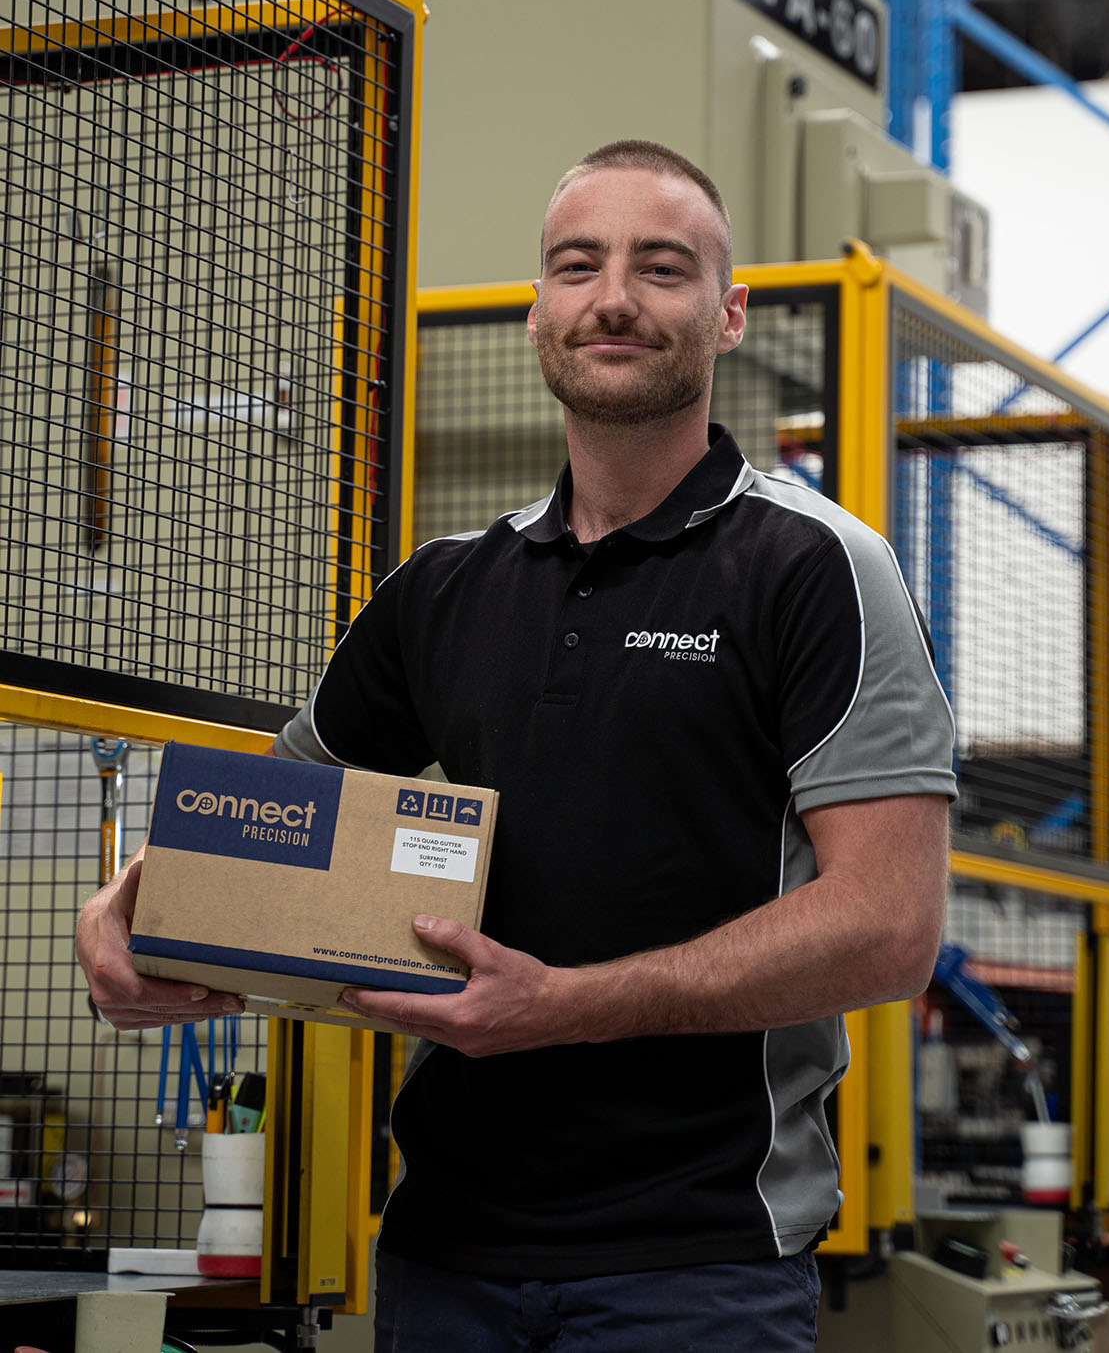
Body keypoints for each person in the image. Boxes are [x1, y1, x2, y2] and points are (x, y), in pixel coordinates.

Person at [77, 140, 956, 1352]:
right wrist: (141, 912)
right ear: (538, 307)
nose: (612, 299)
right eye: (577, 265)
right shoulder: (444, 590)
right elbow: (273, 823)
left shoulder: (814, 570)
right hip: (444, 1254)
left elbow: (890, 927)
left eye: (661, 269)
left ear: (728, 314)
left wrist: (565, 1007)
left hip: (695, 1264)